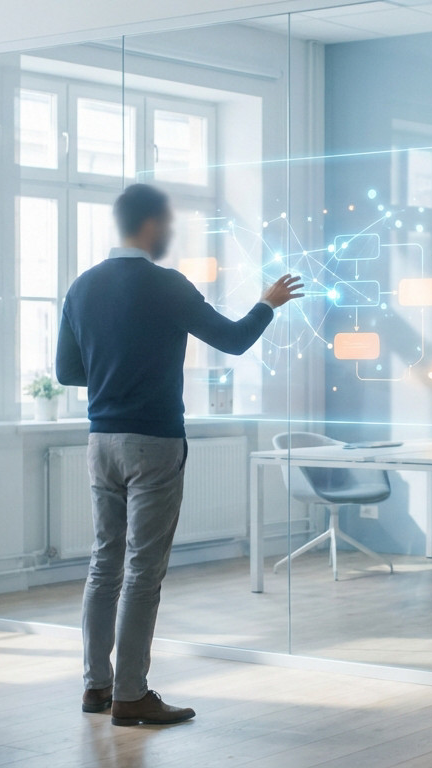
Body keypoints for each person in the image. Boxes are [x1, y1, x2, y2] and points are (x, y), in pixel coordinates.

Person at [56, 183, 303, 726]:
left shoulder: (81, 286)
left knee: (104, 564)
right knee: (142, 571)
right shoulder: (166, 285)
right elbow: (233, 340)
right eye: (167, 223)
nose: (169, 232)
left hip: (101, 441)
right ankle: (130, 694)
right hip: (154, 441)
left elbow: (67, 372)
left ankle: (96, 687)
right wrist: (268, 303)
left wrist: (114, 370)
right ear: (149, 225)